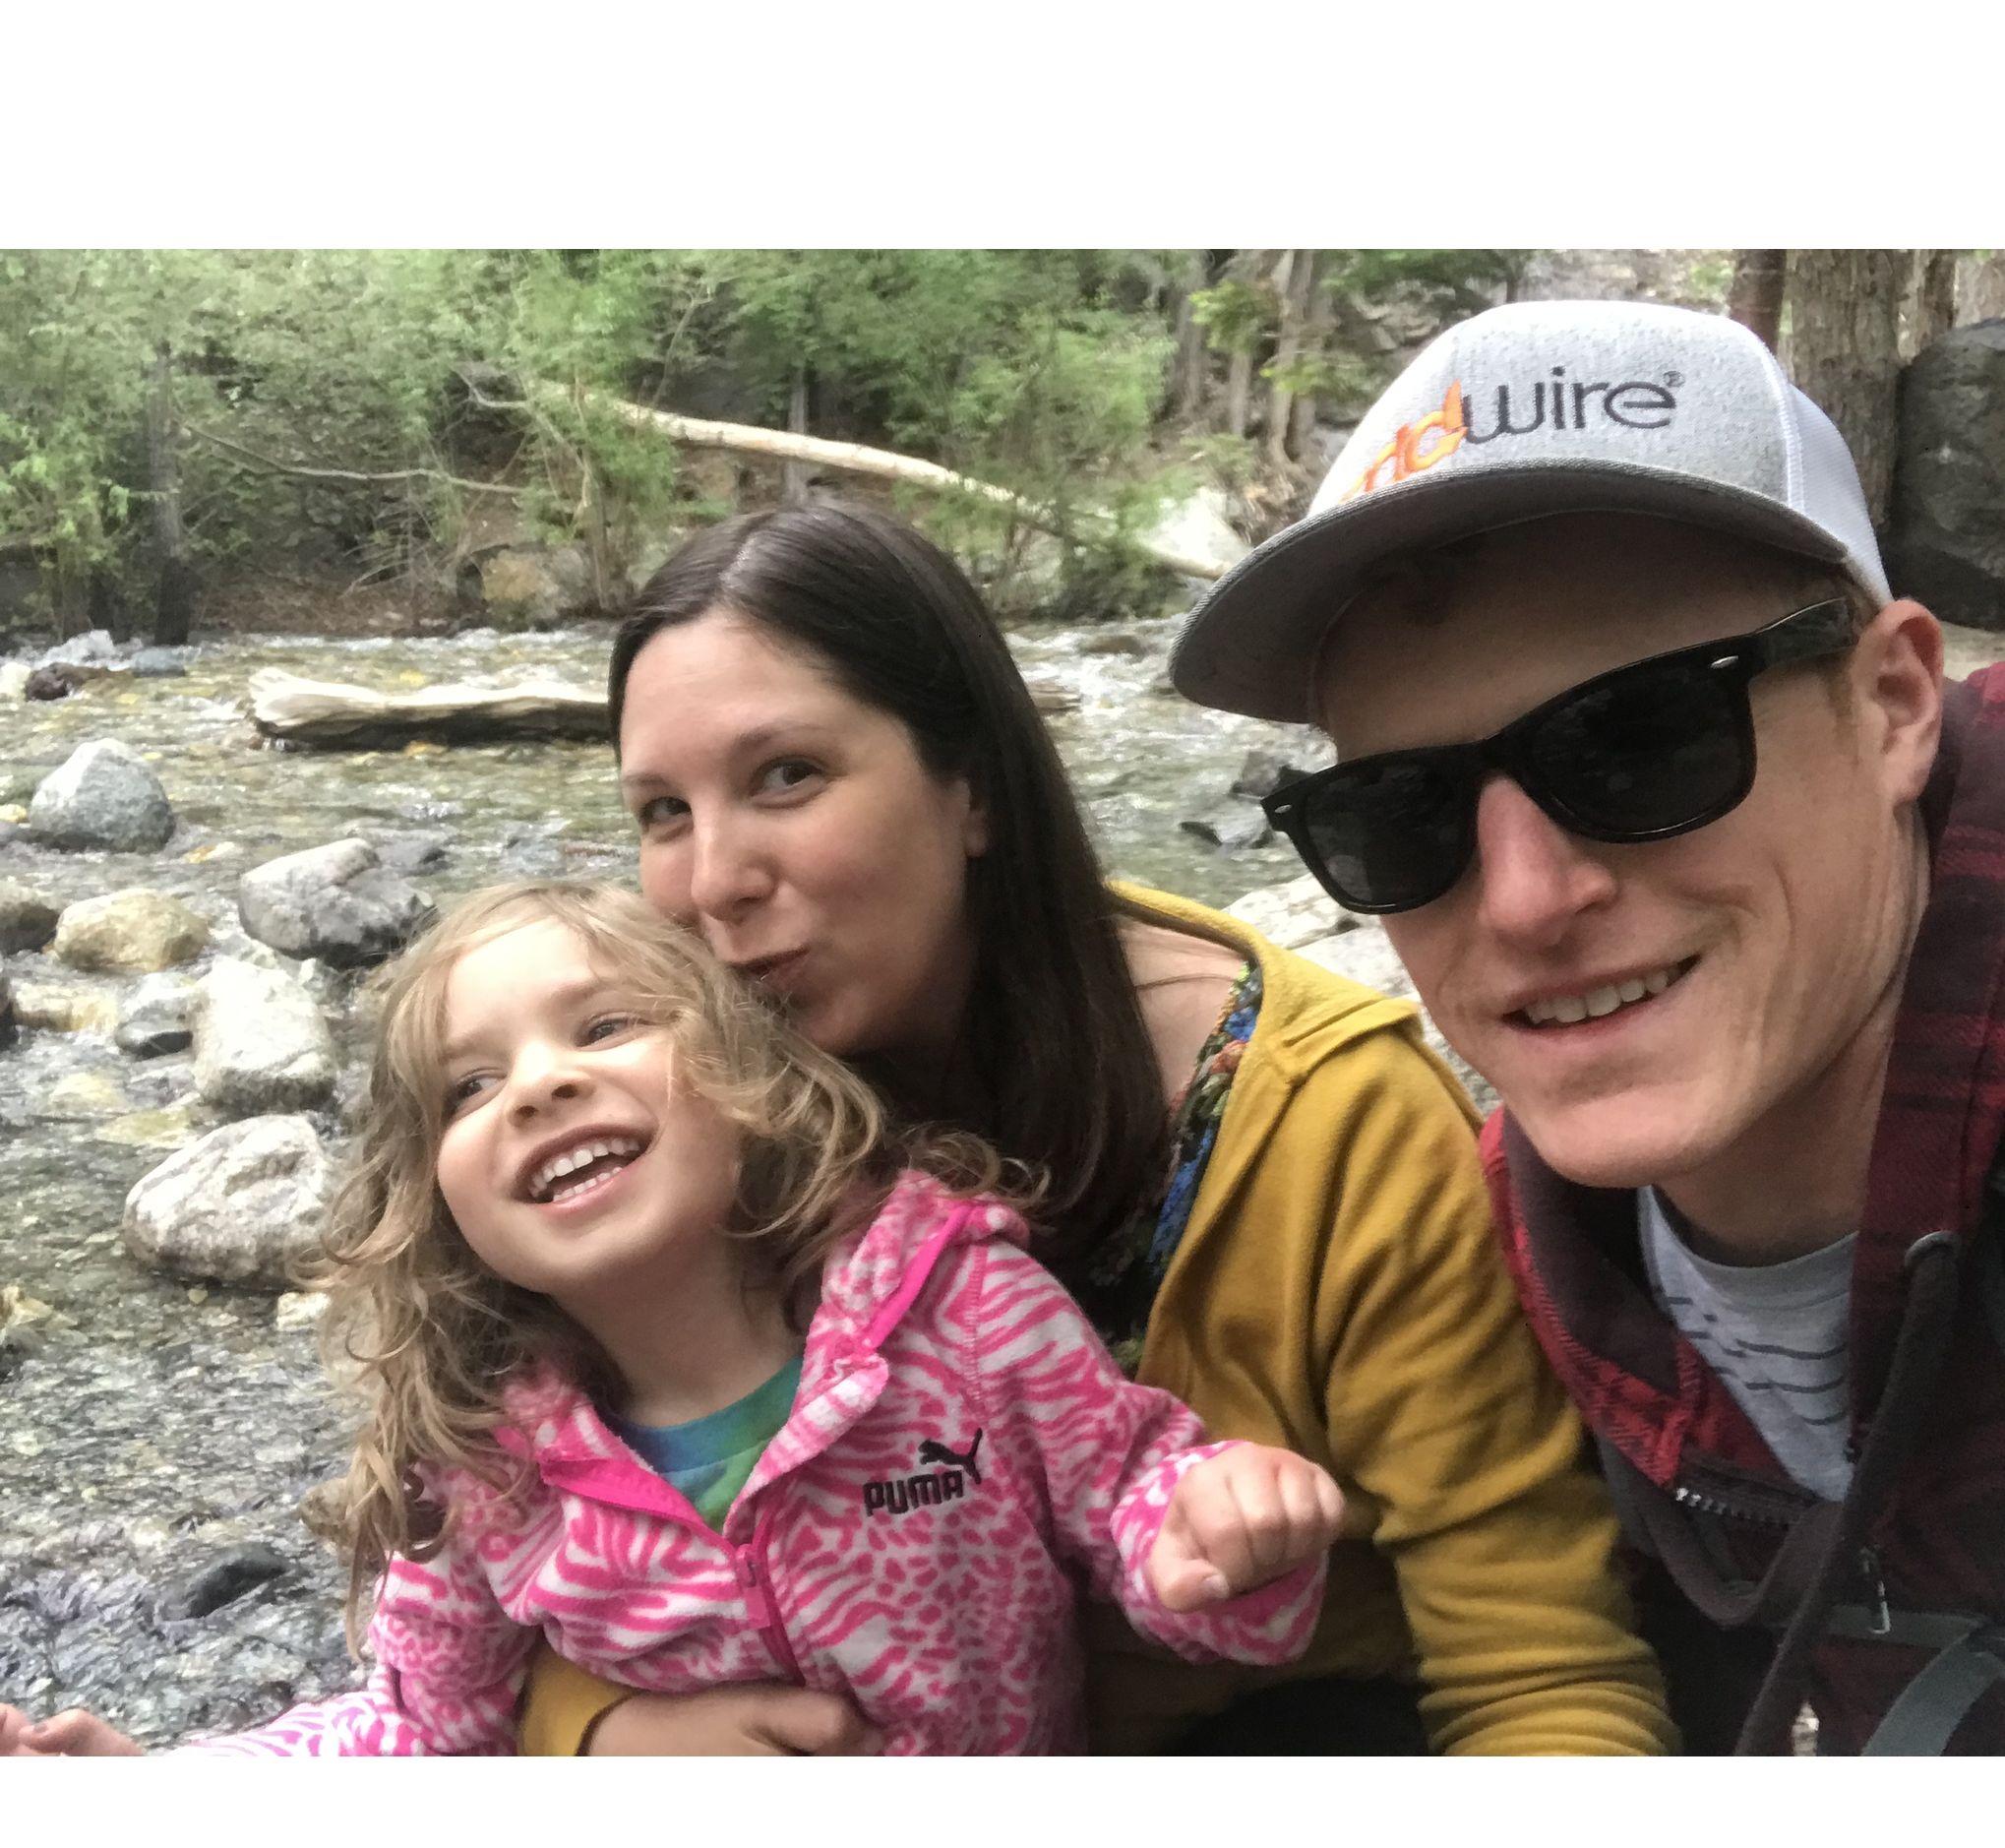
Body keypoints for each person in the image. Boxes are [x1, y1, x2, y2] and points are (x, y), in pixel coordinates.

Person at [516, 498, 1673, 1756]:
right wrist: (600, 1734)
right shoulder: (687, 1128)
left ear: (973, 788)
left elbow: (1537, 1674)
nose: (712, 882)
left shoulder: (1335, 1128)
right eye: (662, 814)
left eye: (785, 776)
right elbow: (503, 1550)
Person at [1170, 295, 2005, 1755]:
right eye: (1401, 812)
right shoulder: (1493, 1243)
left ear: (1891, 703)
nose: (1524, 898)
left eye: (1641, 738)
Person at [0, 881, 1346, 1757]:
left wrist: (1227, 1541)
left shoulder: (960, 1312)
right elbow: (414, 1737)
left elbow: (1139, 1506)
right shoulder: (488, 1465)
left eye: (603, 1025)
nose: (539, 1086)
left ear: (748, 1078)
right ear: (440, 1206)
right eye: (470, 1088)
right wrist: (170, 1782)